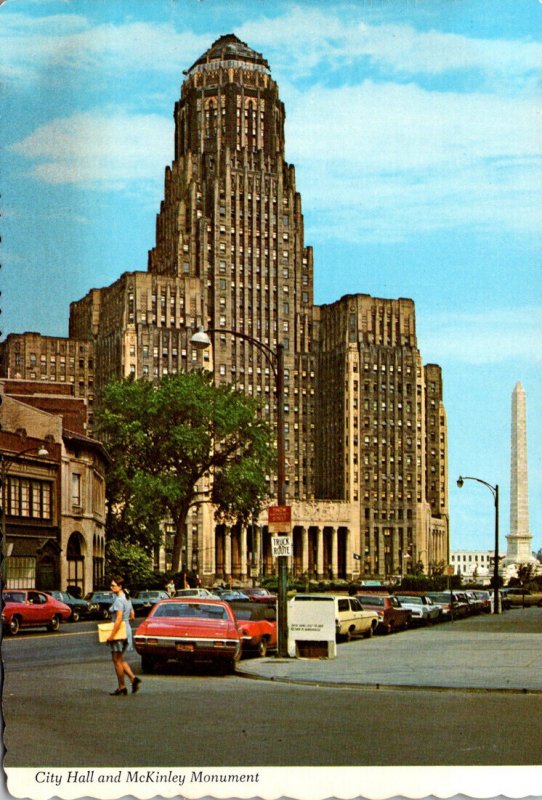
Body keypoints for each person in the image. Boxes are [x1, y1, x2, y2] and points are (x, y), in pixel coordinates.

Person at [107, 576, 141, 696]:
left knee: (116, 660)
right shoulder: (127, 598)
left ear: (120, 586)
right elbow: (132, 615)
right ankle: (133, 679)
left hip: (119, 631)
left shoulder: (119, 600)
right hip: (127, 629)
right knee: (120, 659)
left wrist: (112, 635)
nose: (111, 587)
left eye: (113, 585)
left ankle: (122, 686)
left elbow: (118, 619)